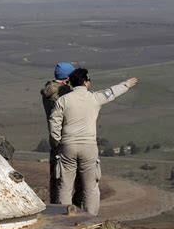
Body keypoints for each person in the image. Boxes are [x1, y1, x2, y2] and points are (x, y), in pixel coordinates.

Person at [50, 68, 137, 215]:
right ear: (85, 82)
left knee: (65, 186)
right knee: (90, 187)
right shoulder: (95, 97)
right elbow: (111, 92)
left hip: (68, 145)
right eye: (88, 80)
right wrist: (126, 84)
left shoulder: (63, 100)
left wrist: (57, 141)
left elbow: (54, 122)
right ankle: (91, 218)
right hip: (89, 147)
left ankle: (63, 217)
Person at [40, 62, 82, 205]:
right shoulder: (62, 94)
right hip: (68, 139)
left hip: (55, 140)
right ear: (67, 78)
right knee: (72, 180)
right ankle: (71, 208)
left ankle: (55, 206)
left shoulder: (49, 90)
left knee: (56, 178)